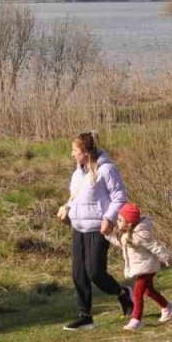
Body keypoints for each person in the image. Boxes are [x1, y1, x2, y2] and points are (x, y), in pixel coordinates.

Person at [57, 131, 134, 330]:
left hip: (98, 227)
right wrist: (66, 208)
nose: (72, 154)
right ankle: (85, 316)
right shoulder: (77, 173)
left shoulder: (107, 170)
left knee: (95, 272)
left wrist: (108, 218)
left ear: (86, 152)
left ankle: (123, 293)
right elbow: (77, 197)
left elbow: (119, 197)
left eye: (75, 150)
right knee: (78, 274)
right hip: (78, 227)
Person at [106, 202, 172, 331]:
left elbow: (156, 247)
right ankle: (167, 306)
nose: (117, 222)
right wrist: (107, 235)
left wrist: (167, 257)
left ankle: (136, 320)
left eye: (120, 220)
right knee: (148, 291)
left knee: (138, 292)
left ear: (129, 224)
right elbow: (120, 243)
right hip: (141, 267)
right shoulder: (126, 234)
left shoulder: (141, 235)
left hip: (148, 267)